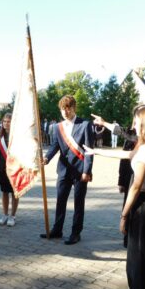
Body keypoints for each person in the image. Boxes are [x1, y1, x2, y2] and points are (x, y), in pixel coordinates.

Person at [84, 106, 145, 289]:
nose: (132, 125)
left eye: (134, 121)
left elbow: (137, 186)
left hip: (144, 209)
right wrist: (97, 151)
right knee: (143, 260)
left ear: (142, 123)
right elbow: (125, 153)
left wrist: (124, 215)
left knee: (138, 261)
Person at [40, 95, 94, 244]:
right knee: (60, 201)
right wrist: (47, 158)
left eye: (68, 108)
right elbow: (55, 145)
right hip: (64, 170)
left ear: (74, 108)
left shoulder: (85, 124)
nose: (65, 112)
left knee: (78, 203)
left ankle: (76, 233)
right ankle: (57, 230)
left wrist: (87, 171)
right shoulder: (58, 127)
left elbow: (89, 150)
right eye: (63, 109)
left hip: (80, 170)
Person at [0, 113, 19, 227]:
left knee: (15, 193)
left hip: (14, 170)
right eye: (5, 121)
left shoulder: (17, 137)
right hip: (1, 170)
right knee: (5, 192)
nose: (6, 123)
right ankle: (5, 215)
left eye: (9, 121)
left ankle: (12, 216)